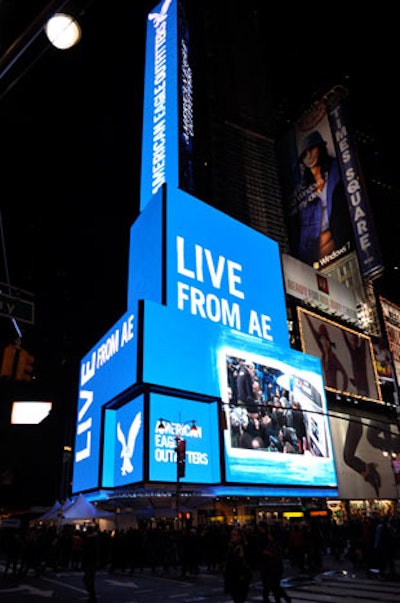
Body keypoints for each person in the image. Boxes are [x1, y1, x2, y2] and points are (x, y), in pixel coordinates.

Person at [292, 130, 353, 266]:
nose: (309, 157)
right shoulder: (303, 191)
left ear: (319, 147)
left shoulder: (337, 170)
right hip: (318, 258)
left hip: (344, 244)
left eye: (311, 150)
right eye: (304, 155)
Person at [305, 313, 349, 391]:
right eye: (322, 339)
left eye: (325, 339)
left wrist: (343, 391)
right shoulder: (323, 354)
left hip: (334, 391)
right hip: (325, 391)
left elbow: (345, 375)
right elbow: (313, 330)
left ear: (328, 341)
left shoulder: (333, 357)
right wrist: (306, 315)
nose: (324, 342)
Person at [257, 522, 291, 603]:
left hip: (273, 566)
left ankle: (281, 598)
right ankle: (278, 599)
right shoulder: (271, 542)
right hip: (270, 565)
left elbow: (275, 554)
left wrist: (267, 553)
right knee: (272, 585)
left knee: (273, 585)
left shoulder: (274, 544)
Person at [223, 527, 252, 603]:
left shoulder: (243, 547)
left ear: (240, 536)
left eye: (234, 535)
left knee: (239, 598)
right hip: (232, 576)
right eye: (232, 535)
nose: (232, 536)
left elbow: (247, 561)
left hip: (240, 577)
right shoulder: (230, 546)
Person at [81, 525, 100, 603]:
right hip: (91, 562)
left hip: (90, 562)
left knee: (88, 580)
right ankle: (92, 596)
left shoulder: (90, 540)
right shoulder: (94, 539)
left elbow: (87, 552)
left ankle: (92, 597)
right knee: (88, 580)